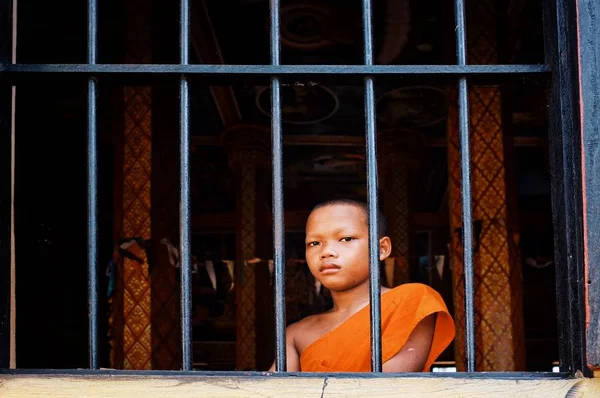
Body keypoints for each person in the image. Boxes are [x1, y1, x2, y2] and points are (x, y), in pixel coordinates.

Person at [269, 199, 455, 372]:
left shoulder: (412, 302)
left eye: (346, 239)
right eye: (314, 243)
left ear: (381, 249)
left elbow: (385, 386)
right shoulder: (297, 334)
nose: (326, 252)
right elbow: (270, 392)